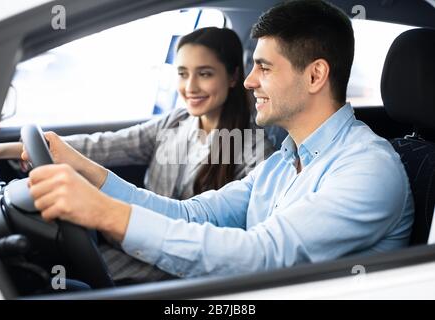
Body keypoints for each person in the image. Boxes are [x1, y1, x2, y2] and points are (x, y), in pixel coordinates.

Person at [25, 0, 414, 280]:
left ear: (315, 76)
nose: (249, 82)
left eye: (263, 68)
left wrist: (105, 213)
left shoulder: (367, 168)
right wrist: (87, 172)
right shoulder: (285, 160)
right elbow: (193, 215)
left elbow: (262, 258)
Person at [0, 27, 274, 200]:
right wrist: (4, 150)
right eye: (182, 74)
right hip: (126, 242)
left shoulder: (253, 150)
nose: (190, 87)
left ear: (234, 76)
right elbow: (103, 145)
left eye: (205, 74)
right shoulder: (174, 121)